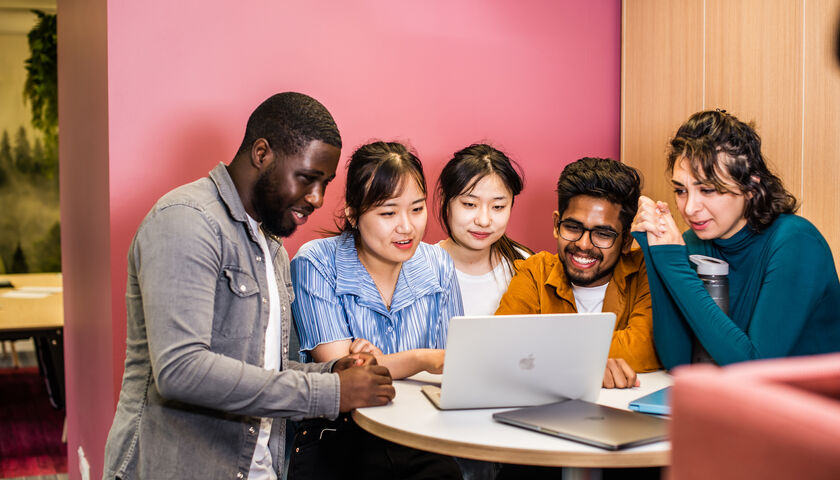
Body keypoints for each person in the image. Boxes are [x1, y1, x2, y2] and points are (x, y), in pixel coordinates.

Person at [102, 93, 395, 480]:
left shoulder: (270, 247)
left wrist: (331, 373)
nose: (317, 199)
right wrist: (333, 393)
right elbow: (180, 369)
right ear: (262, 153)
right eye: (307, 179)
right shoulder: (186, 221)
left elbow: (260, 368)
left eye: (324, 183)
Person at [289, 141, 463, 479]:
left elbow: (454, 364)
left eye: (416, 209)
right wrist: (423, 358)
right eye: (388, 213)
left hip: (421, 434)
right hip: (340, 438)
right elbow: (340, 375)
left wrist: (386, 362)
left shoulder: (438, 263)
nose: (407, 227)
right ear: (353, 213)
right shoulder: (316, 262)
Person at [631, 109, 840, 368]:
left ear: (751, 188)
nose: (689, 208)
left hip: (811, 403)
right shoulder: (693, 242)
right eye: (681, 190)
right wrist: (656, 256)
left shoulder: (797, 243)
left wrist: (675, 266)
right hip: (739, 401)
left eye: (707, 189)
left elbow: (752, 367)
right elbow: (679, 362)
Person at [496, 157, 661, 389]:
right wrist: (591, 361)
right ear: (556, 225)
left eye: (603, 234)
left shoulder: (645, 270)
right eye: (573, 228)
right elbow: (501, 346)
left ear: (626, 241)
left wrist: (545, 353)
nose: (583, 244)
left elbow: (645, 348)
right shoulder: (536, 272)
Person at [436, 144, 533, 316]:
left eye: (498, 207)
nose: (483, 220)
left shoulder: (526, 266)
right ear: (445, 201)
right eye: (469, 204)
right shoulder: (419, 267)